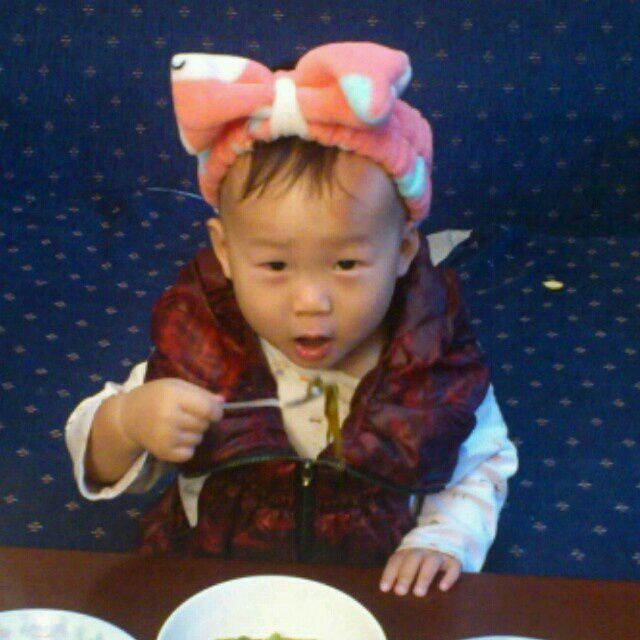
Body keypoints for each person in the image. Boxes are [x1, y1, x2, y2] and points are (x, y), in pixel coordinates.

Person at [66, 41, 518, 598]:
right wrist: (128, 422)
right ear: (226, 252)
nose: (311, 301)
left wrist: (443, 539)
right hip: (216, 584)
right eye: (275, 266)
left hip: (370, 592)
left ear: (403, 250)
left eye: (346, 264)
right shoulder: (204, 349)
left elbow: (483, 462)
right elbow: (94, 456)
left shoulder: (433, 362)